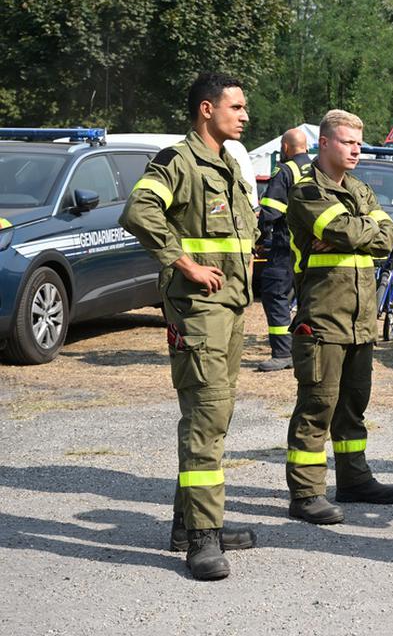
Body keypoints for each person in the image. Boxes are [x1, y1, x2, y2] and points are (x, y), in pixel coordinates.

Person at [120, 72, 259, 581]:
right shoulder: (179, 161)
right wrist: (186, 263)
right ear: (207, 109)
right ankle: (201, 540)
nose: (245, 115)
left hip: (230, 310)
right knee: (205, 419)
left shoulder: (226, 164)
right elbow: (139, 210)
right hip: (198, 312)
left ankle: (192, 524)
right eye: (237, 106)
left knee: (215, 418)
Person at [283, 110, 393, 526]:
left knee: (353, 406)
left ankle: (353, 479)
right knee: (317, 406)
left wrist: (361, 227)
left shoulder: (359, 188)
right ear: (325, 143)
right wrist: (363, 226)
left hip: (361, 320)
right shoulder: (305, 192)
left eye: (358, 143)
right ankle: (306, 493)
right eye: (348, 142)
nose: (356, 149)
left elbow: (387, 237)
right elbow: (355, 234)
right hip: (323, 319)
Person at [254, 127, 312, 372]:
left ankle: (282, 353)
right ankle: (308, 350)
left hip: (286, 246)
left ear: (286, 148)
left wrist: (259, 236)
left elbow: (271, 209)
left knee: (275, 294)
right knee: (309, 297)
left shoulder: (285, 170)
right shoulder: (316, 167)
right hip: (313, 245)